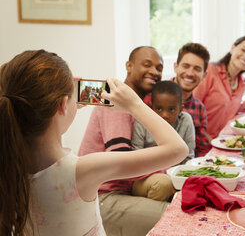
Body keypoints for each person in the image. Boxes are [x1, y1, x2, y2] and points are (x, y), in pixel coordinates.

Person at [0, 50, 188, 236]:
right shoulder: (82, 171)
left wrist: (65, 105)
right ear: (62, 105)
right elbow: (177, 149)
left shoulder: (9, 168)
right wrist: (134, 105)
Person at [78, 46, 170, 235]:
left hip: (126, 189)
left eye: (159, 68)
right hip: (102, 197)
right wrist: (168, 168)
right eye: (147, 65)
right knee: (175, 218)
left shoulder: (140, 104)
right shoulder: (115, 98)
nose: (154, 71)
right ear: (129, 66)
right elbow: (120, 165)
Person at [131, 81, 195, 201]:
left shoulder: (186, 121)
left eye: (171, 110)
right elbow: (136, 158)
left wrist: (176, 178)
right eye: (159, 109)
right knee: (162, 184)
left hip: (177, 176)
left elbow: (188, 158)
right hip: (145, 178)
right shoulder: (141, 123)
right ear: (151, 107)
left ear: (180, 109)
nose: (165, 115)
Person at [193, 35, 245, 139]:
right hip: (200, 141)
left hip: (222, 140)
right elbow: (191, 110)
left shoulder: (242, 84)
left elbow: (226, 110)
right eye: (243, 50)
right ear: (232, 48)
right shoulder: (209, 72)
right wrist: (207, 139)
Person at [172, 43, 211, 156]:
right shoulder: (153, 98)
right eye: (185, 66)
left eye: (197, 69)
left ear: (204, 75)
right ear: (175, 67)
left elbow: (202, 149)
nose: (190, 73)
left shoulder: (199, 108)